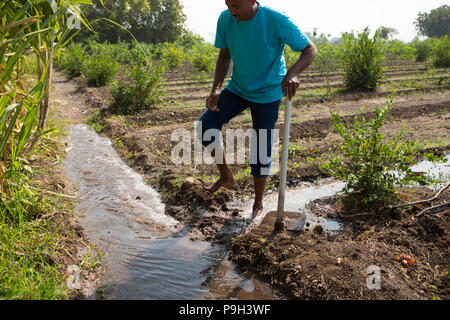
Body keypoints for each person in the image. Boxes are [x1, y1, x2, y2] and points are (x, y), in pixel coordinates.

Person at [197, 0, 317, 216]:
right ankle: (225, 175)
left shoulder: (276, 20)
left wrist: (292, 73)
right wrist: (216, 89)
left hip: (268, 92)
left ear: (253, 1)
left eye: (236, 6)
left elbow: (310, 49)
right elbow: (224, 56)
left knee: (261, 148)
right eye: (228, 5)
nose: (232, 11)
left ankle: (258, 202)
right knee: (206, 126)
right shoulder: (226, 19)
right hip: (238, 88)